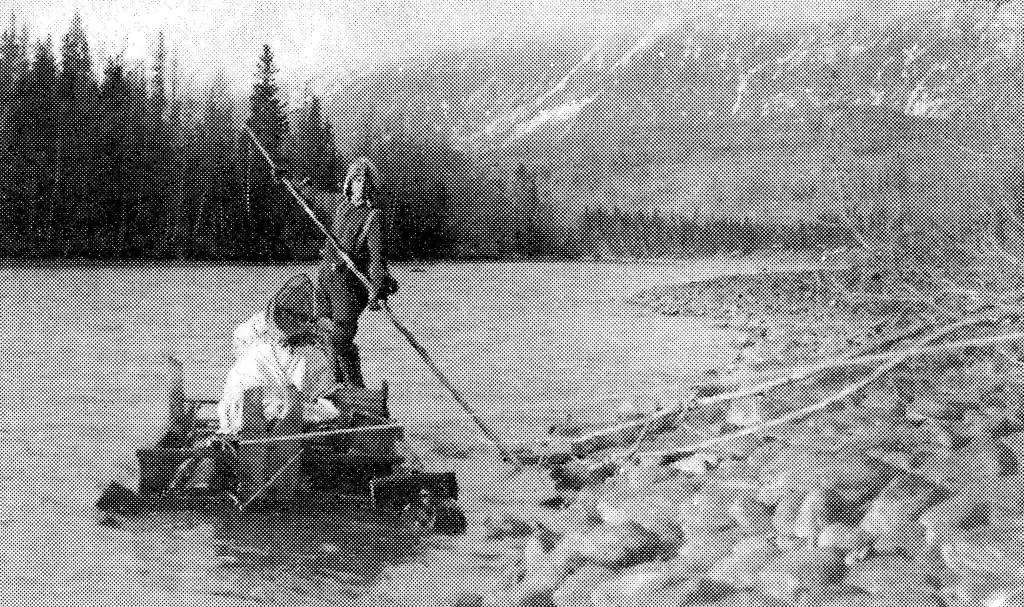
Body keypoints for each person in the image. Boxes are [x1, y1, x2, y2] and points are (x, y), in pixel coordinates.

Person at [203, 274, 344, 503]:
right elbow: (242, 365)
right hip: (251, 404)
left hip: (281, 407)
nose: (292, 320)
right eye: (288, 313)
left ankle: (274, 494)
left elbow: (320, 394)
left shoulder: (313, 351)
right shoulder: (253, 334)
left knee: (288, 405)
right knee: (257, 401)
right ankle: (258, 490)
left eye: (300, 316)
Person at [292, 158, 397, 388]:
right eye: (357, 179)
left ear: (371, 186)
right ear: (350, 181)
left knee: (339, 337)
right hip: (324, 281)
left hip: (349, 287)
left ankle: (354, 393)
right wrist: (290, 181)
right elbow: (314, 196)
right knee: (320, 335)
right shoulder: (339, 204)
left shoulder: (373, 217)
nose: (361, 185)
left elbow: (377, 257)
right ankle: (338, 394)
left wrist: (376, 288)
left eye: (366, 181)